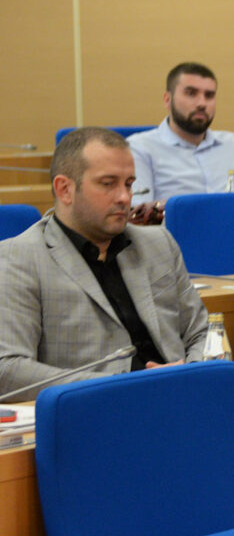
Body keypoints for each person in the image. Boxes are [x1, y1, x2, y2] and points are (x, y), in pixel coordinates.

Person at [0, 128, 208, 397]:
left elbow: (202, 331)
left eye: (129, 184)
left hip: (182, 395)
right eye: (108, 184)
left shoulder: (158, 244)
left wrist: (192, 374)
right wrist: (125, 386)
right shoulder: (18, 258)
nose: (124, 197)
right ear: (65, 189)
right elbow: (8, 370)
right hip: (95, 407)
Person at [127, 62, 234, 224]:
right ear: (167, 100)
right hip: (173, 237)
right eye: (191, 93)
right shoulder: (140, 147)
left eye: (209, 95)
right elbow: (139, 216)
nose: (202, 103)